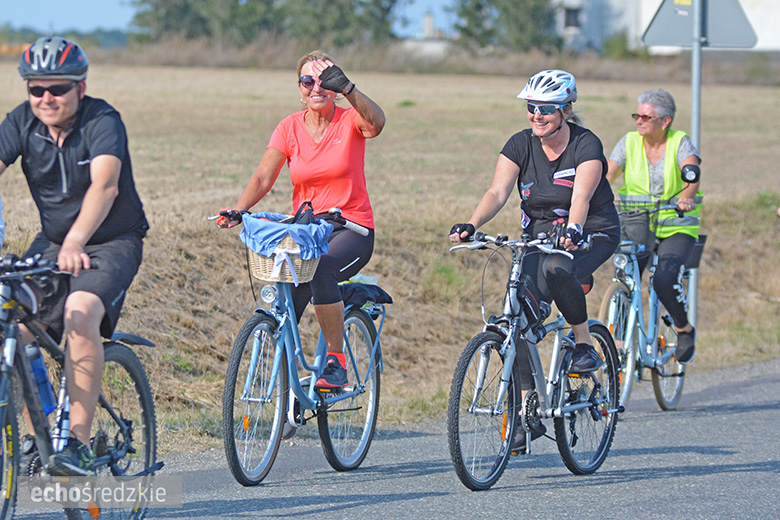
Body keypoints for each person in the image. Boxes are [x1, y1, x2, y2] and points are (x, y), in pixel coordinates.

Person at [449, 69, 620, 453]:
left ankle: (582, 343)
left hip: (591, 229)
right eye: (531, 108)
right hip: (539, 235)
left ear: (565, 110)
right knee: (515, 317)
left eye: (546, 109)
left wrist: (574, 230)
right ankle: (526, 411)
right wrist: (472, 224)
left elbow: (581, 197)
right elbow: (498, 191)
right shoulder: (520, 144)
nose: (536, 116)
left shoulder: (586, 145)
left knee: (559, 268)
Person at [0, 36, 149, 475]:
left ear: (80, 88)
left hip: (111, 240)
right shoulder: (21, 122)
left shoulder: (102, 120)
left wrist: (77, 240)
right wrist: (63, 242)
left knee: (80, 314)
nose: (46, 98)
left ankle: (77, 445)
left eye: (57, 89)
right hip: (55, 242)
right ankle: (40, 431)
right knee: (13, 322)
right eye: (36, 89)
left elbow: (105, 186)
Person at [217, 50, 385, 390]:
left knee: (320, 267)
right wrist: (240, 209)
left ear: (335, 87)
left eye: (326, 81)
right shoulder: (289, 127)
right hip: (308, 230)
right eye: (308, 81)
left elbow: (377, 123)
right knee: (285, 303)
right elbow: (264, 178)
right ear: (299, 87)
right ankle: (289, 393)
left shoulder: (349, 120)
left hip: (350, 228)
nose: (316, 88)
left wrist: (349, 88)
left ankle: (336, 362)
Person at [606, 88, 702, 365]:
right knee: (625, 276)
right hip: (637, 222)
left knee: (663, 279)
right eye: (637, 115)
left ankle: (684, 329)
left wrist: (686, 196)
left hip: (676, 224)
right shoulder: (628, 143)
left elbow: (691, 171)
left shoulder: (679, 141)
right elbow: (608, 175)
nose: (639, 121)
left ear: (665, 121)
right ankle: (621, 348)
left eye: (646, 117)